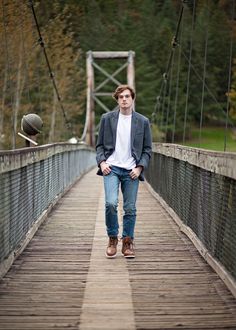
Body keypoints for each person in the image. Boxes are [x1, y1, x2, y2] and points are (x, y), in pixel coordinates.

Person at [96, 84, 152, 258]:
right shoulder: (107, 118)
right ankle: (113, 238)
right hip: (111, 168)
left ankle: (127, 242)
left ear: (132, 98)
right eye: (121, 97)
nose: (124, 99)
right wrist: (102, 162)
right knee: (111, 203)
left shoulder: (142, 121)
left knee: (129, 208)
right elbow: (99, 146)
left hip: (131, 171)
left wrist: (139, 167)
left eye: (127, 96)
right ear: (117, 100)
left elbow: (147, 149)